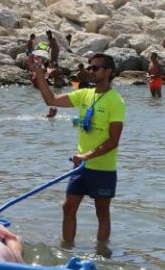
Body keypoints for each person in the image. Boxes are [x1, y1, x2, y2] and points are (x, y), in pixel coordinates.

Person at [30, 53, 125, 250]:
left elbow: (114, 140)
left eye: (95, 68)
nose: (90, 71)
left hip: (102, 167)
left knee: (102, 212)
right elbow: (51, 100)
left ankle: (102, 253)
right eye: (89, 67)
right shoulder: (84, 95)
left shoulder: (116, 101)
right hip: (80, 167)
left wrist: (86, 156)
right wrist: (39, 75)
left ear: (108, 72)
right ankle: (66, 249)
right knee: (68, 207)